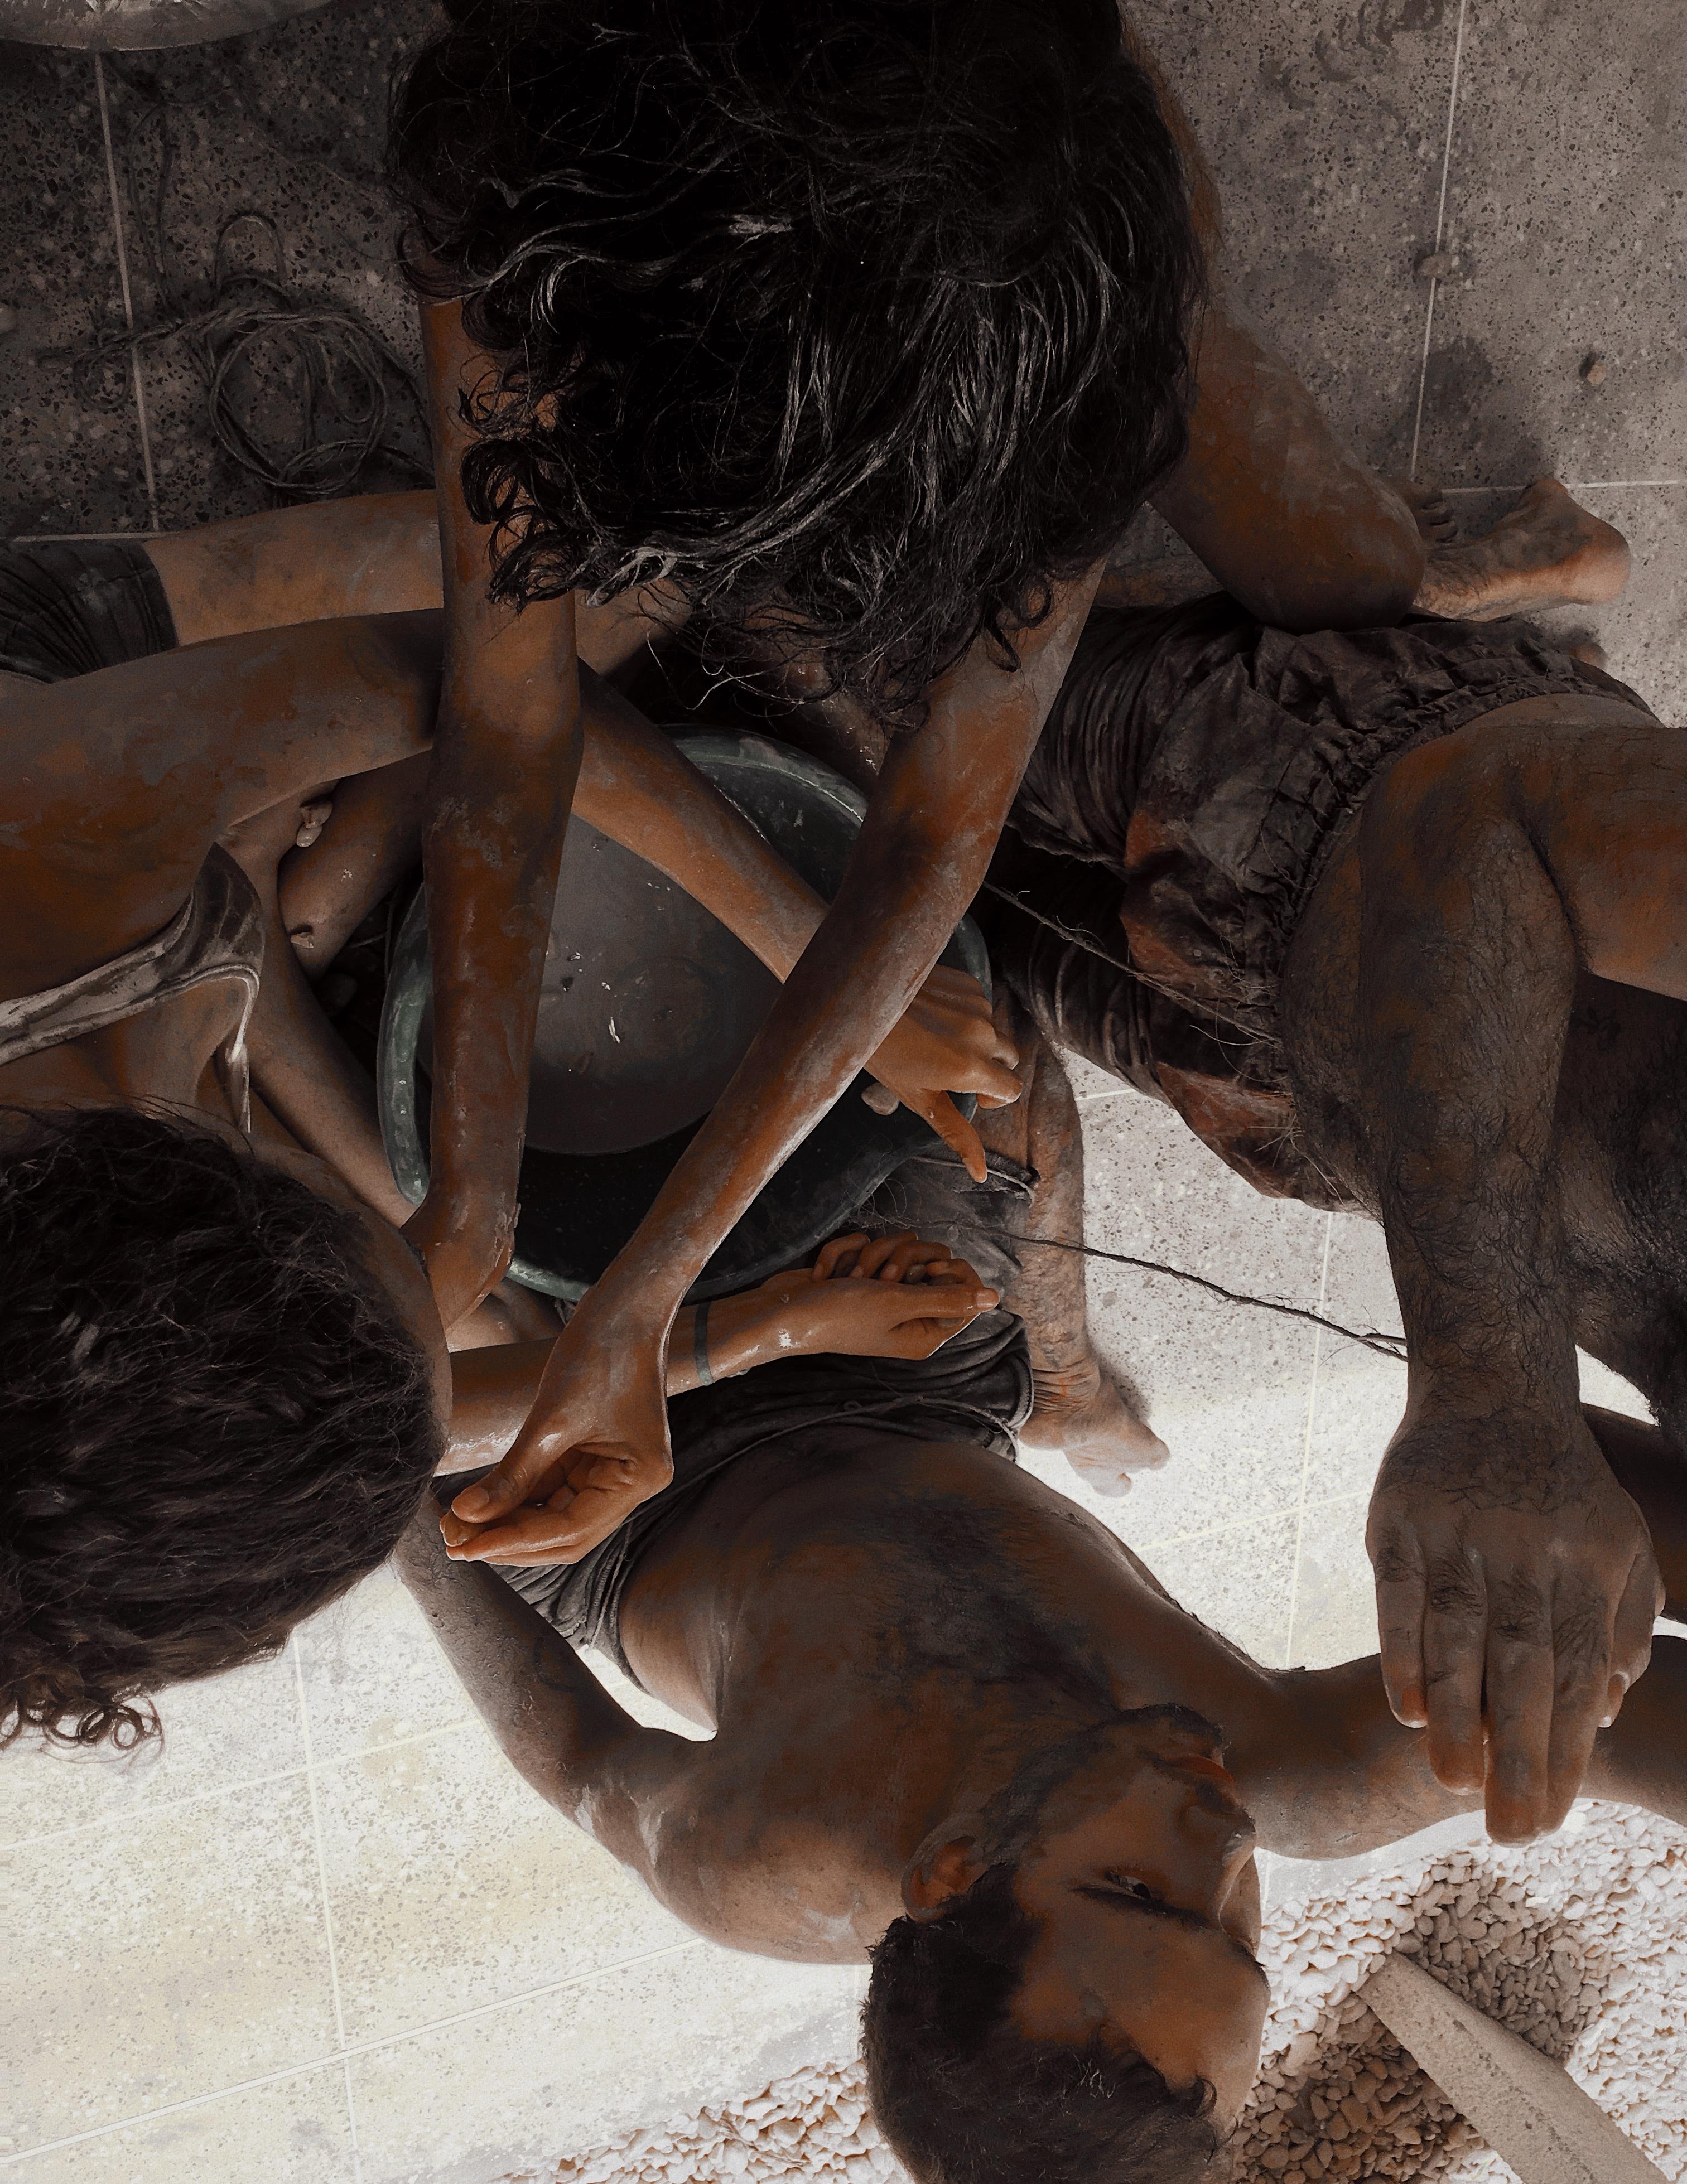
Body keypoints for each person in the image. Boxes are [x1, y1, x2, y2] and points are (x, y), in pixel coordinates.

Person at [388, 0, 1521, 1561]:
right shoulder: (553, 204)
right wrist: (480, 1203)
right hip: (786, 148)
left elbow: (934, 827)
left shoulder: (1054, 304)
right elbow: (511, 722)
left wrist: (644, 1303)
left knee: (1357, 573)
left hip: (1028, 186)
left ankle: (1470, 555)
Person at [397, 1154, 1687, 2184]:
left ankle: (1057, 1371)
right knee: (959, 1094)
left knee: (448, 1272)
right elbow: (1619, 1706)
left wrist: (401, 1508)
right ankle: (1063, 1379)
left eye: (1138, 1892)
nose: (1227, 1842)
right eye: (1241, 1939)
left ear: (953, 1868)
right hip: (922, 1396)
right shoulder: (1277, 1774)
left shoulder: (768, 1851)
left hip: (644, 1509)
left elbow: (577, 1761)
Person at [0, 498, 1008, 1747]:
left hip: (45, 693)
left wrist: (835, 965)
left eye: (388, 1251)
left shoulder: (33, 850)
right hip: (162, 916)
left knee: (615, 552)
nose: (432, 1266)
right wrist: (731, 1334)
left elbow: (491, 682)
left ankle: (253, 815)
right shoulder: (78, 1355)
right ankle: (258, 841)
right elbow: (385, 1418)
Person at [973, 480, 1678, 1846]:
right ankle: (1410, 585)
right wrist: (1491, 1384)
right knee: (810, 670)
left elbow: (1570, 1509)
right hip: (1331, 776)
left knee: (897, 889)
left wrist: (1507, 1613)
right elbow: (1476, 814)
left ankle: (1413, 576)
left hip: (1306, 1095)